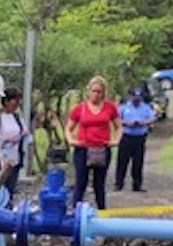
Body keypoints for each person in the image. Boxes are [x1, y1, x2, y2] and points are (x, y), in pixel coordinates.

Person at [64, 75, 121, 210]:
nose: (96, 94)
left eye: (99, 91)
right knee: (81, 182)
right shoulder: (79, 108)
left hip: (102, 148)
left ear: (103, 93)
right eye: (94, 91)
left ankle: (102, 212)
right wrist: (71, 140)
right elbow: (68, 128)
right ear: (88, 91)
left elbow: (119, 126)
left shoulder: (110, 107)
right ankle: (75, 212)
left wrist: (116, 140)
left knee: (99, 184)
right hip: (83, 149)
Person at [115, 86, 156, 192]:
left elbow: (152, 118)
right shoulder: (124, 107)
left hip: (139, 137)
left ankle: (137, 185)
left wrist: (144, 123)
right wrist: (126, 123)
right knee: (122, 162)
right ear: (130, 96)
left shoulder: (146, 107)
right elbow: (116, 119)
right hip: (126, 137)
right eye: (134, 96)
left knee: (138, 162)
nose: (136, 99)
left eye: (139, 97)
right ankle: (118, 184)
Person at [0, 87, 29, 196]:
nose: (16, 105)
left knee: (10, 187)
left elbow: (24, 130)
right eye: (14, 102)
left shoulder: (16, 116)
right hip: (1, 158)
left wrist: (21, 136)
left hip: (14, 157)